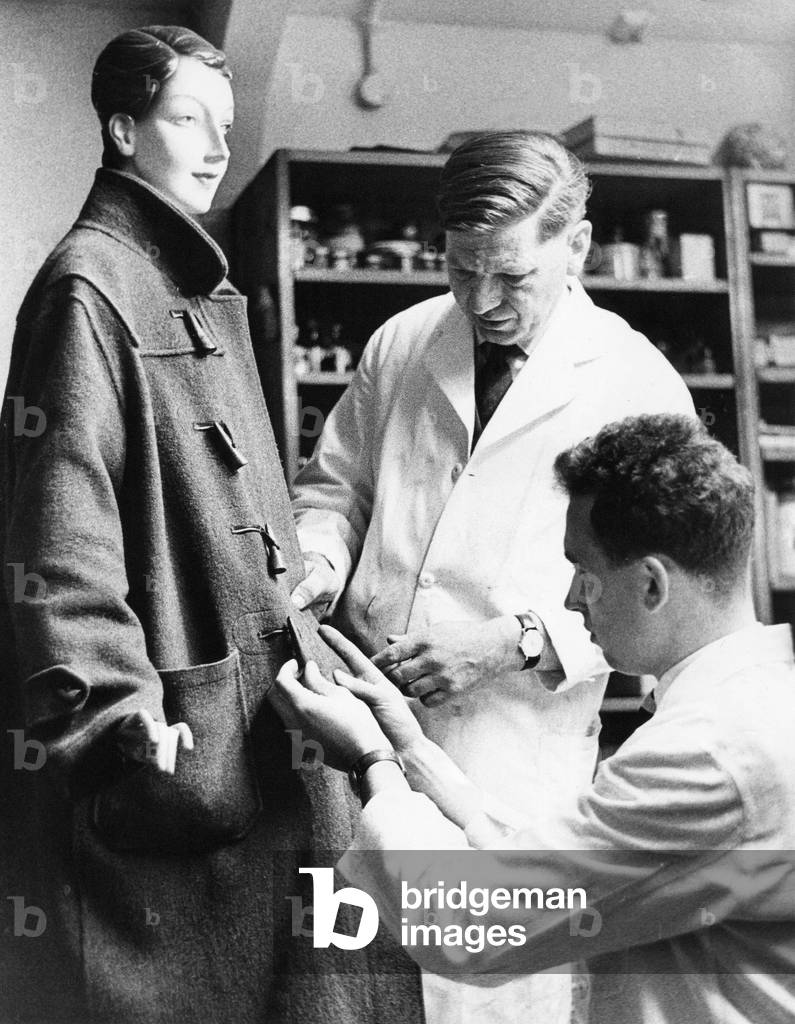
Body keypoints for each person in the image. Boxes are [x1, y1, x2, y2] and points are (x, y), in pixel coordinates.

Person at [0, 26, 420, 1024]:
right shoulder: (88, 285)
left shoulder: (180, 279)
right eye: (188, 118)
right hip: (190, 746)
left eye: (226, 124)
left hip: (261, 718)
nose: (218, 145)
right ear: (122, 128)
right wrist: (117, 722)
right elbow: (59, 540)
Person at [290, 130, 694, 1022]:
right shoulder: (403, 342)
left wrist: (516, 642)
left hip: (514, 752)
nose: (480, 300)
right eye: (461, 270)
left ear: (576, 245)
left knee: (488, 995)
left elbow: (669, 598)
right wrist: (319, 559)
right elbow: (334, 489)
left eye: (510, 276)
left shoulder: (634, 381)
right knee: (358, 983)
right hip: (363, 720)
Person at [274, 413, 795, 1024]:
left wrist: (373, 762)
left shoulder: (708, 753)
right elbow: (570, 870)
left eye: (584, 572)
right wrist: (411, 747)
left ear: (651, 585)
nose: (571, 600)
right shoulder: (758, 695)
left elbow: (470, 923)